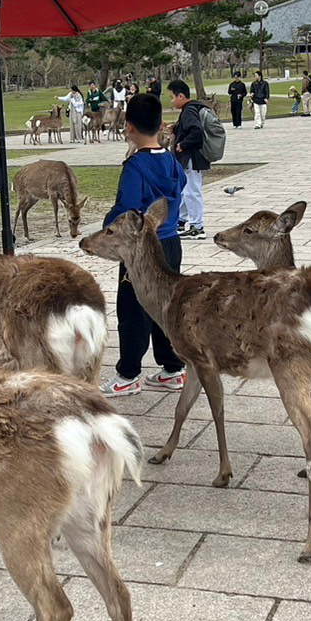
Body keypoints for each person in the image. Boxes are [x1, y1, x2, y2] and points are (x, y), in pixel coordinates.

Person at [100, 94, 188, 398]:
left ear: (129, 127)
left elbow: (127, 209)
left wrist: (106, 225)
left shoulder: (135, 166)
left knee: (133, 308)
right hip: (171, 244)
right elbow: (181, 188)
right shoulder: (171, 160)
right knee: (164, 304)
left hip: (142, 251)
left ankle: (128, 375)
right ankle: (173, 368)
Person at [169, 79, 212, 239]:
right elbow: (189, 128)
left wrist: (183, 145)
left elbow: (196, 132)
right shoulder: (190, 109)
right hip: (191, 158)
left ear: (181, 96)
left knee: (192, 191)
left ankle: (197, 227)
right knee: (186, 190)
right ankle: (181, 221)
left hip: (191, 157)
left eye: (172, 97)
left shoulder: (189, 111)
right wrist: (176, 128)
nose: (171, 101)